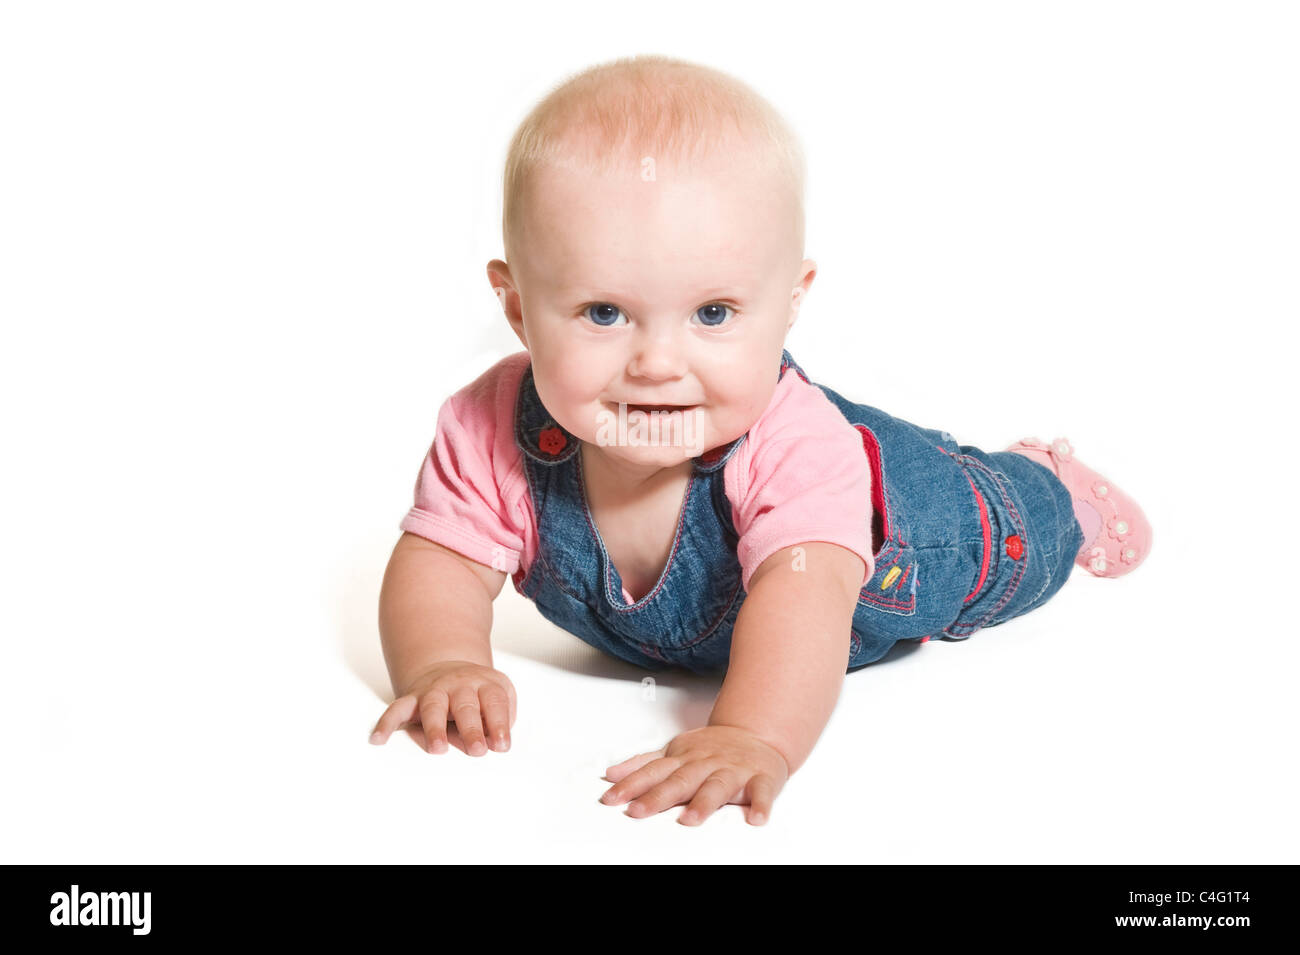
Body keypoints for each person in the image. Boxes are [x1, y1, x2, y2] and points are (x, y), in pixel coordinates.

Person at [370, 54, 1153, 827]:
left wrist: (752, 733)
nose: (657, 364)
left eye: (712, 313)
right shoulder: (492, 426)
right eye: (604, 312)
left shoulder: (796, 447)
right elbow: (441, 558)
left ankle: (1051, 486)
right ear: (516, 307)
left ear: (787, 304)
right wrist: (444, 660)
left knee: (1001, 536)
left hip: (912, 543)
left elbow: (802, 599)